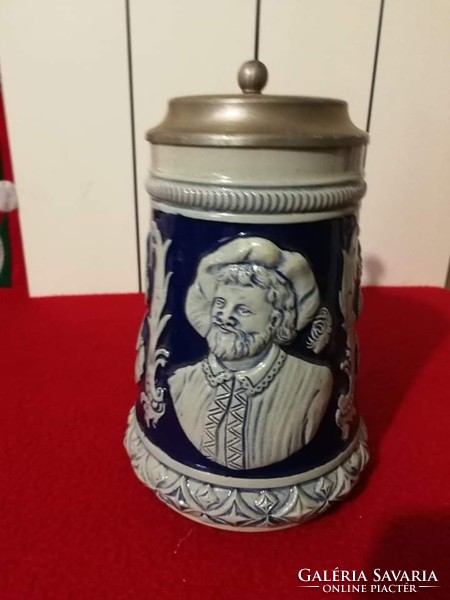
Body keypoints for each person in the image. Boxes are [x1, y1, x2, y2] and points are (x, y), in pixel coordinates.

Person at [169, 237, 333, 470]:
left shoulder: (312, 383)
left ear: (275, 320)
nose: (224, 318)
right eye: (220, 303)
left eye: (243, 309)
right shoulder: (181, 382)